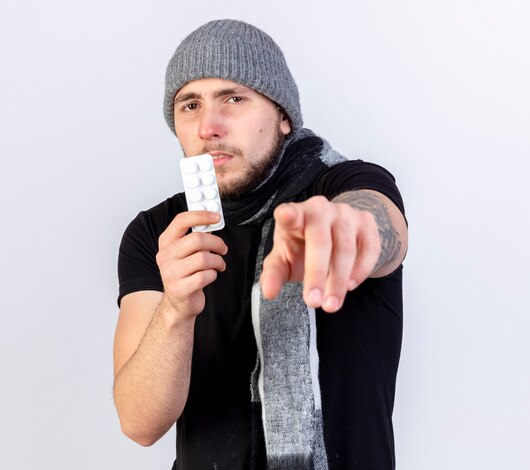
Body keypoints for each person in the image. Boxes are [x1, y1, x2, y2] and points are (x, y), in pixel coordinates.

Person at [113, 19, 408, 470]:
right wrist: (174, 310)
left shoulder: (346, 185)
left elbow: (378, 225)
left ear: (283, 115)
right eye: (189, 105)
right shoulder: (158, 232)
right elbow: (139, 423)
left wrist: (341, 228)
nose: (209, 126)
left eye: (234, 98)